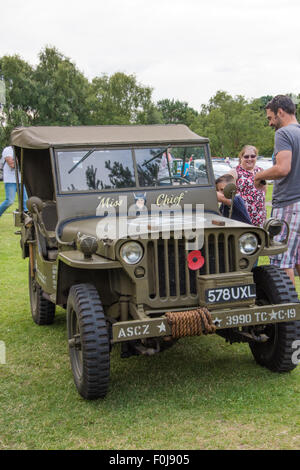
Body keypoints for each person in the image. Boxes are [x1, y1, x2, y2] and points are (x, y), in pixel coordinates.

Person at [254, 95, 300, 285]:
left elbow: (282, 168)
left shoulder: (283, 134)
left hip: (288, 203)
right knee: (297, 258)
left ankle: (288, 308)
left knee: (281, 258)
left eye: (270, 117)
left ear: (280, 111)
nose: (270, 123)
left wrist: (259, 176)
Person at [229, 145, 266, 227]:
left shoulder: (261, 171)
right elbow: (228, 195)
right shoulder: (234, 172)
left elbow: (264, 192)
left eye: (253, 156)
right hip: (242, 216)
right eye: (246, 156)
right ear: (241, 157)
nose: (250, 159)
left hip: (259, 216)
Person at [0, 146, 27, 217]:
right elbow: (11, 164)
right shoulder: (7, 150)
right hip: (10, 180)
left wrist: (16, 160)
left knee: (25, 202)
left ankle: (27, 221)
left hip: (21, 179)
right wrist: (23, 160)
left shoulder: (23, 149)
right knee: (9, 201)